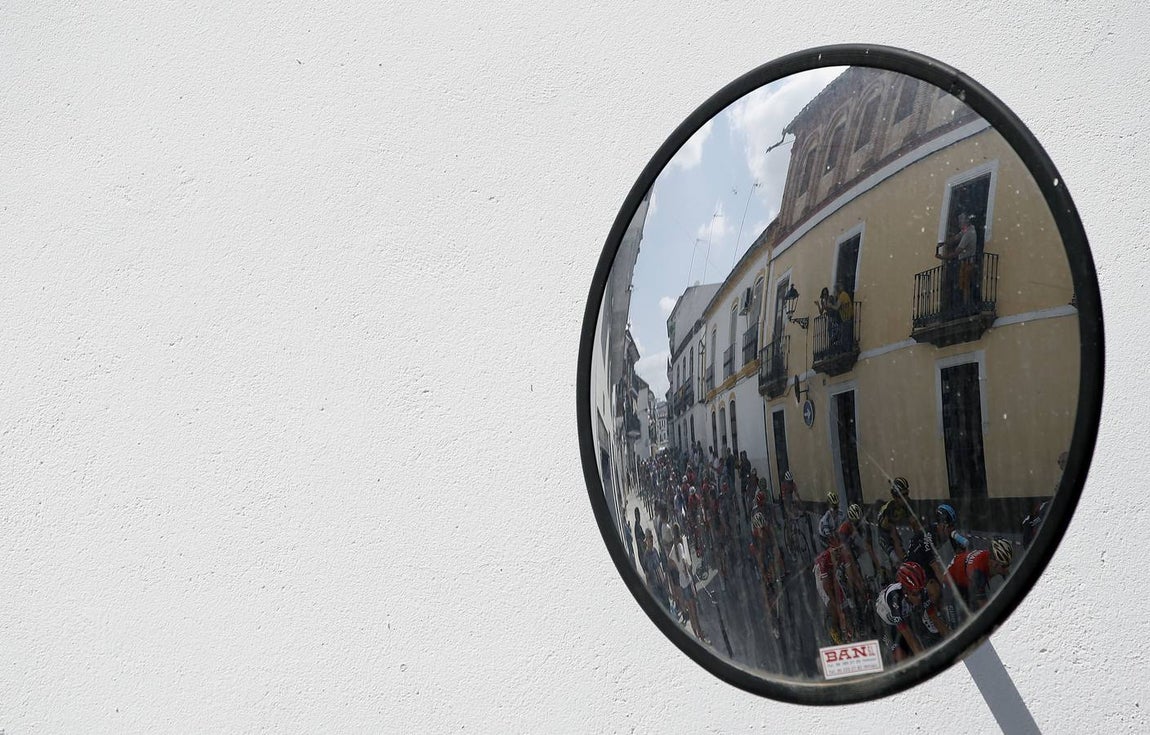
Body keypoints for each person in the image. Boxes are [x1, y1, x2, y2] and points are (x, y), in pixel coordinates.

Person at [876, 561, 949, 662]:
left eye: (921, 591)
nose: (920, 597)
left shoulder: (920, 591)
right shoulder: (895, 599)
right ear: (905, 591)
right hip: (887, 621)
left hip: (906, 610)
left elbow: (936, 620)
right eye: (915, 594)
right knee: (901, 657)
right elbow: (909, 636)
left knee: (931, 630)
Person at [947, 537, 1013, 612]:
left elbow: (1010, 581)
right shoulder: (977, 572)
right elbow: (985, 609)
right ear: (992, 562)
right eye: (1004, 566)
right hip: (951, 582)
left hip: (967, 577)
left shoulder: (992, 558)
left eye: (1009, 565)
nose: (1006, 569)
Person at [670, 523, 707, 641]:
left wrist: (678, 569)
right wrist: (686, 571)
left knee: (690, 611)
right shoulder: (680, 546)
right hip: (687, 580)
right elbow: (685, 562)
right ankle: (700, 632)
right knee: (694, 609)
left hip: (681, 582)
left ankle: (695, 633)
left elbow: (670, 563)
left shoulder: (672, 550)